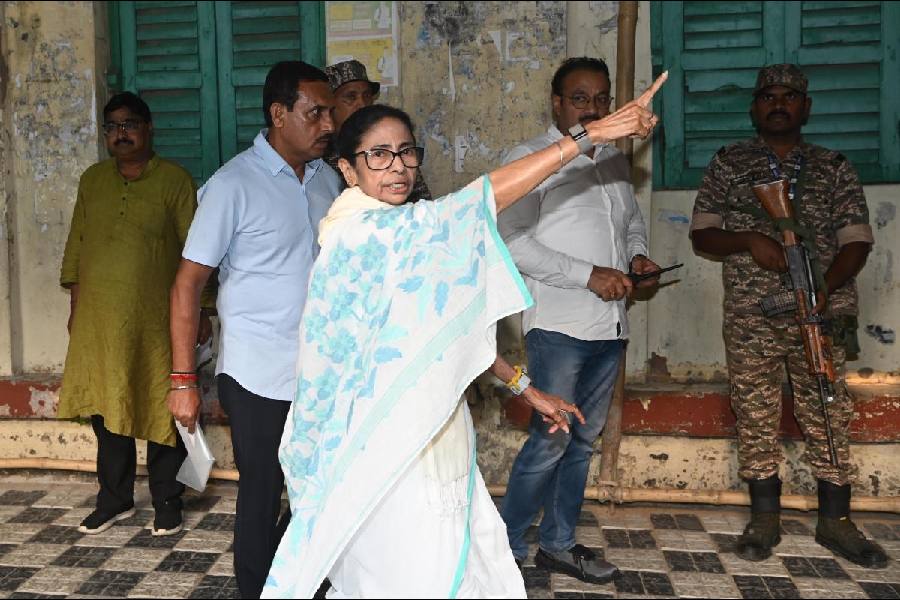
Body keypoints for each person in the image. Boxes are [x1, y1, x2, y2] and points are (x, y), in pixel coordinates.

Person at [263, 73, 666, 598]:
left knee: (454, 567)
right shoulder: (360, 234)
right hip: (384, 446)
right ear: (347, 168)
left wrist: (527, 389)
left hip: (435, 430)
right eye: (378, 155)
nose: (398, 167)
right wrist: (590, 136)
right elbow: (478, 204)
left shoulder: (407, 231)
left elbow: (447, 327)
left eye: (406, 153)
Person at [690, 64, 887, 568]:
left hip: (820, 313)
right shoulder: (729, 163)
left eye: (790, 96)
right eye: (768, 96)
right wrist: (749, 240)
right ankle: (764, 519)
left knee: (828, 411)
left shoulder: (833, 167)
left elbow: (857, 241)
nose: (778, 104)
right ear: (754, 107)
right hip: (751, 315)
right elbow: (702, 234)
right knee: (754, 411)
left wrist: (825, 287)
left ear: (806, 107)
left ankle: (836, 520)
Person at [167, 61, 342, 598]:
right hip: (257, 372)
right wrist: (182, 380)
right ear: (278, 114)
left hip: (320, 368)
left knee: (320, 492)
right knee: (262, 495)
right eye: (315, 113)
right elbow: (187, 285)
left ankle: (298, 585)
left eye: (330, 113)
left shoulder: (327, 178)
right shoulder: (232, 185)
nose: (329, 125)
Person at [497, 57, 661, 583]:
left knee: (581, 443)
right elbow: (510, 240)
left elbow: (630, 223)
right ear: (557, 103)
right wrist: (588, 274)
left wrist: (637, 256)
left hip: (610, 327)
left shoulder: (611, 159)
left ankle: (558, 544)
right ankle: (503, 550)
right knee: (550, 441)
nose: (593, 108)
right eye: (580, 98)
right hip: (558, 326)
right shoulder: (531, 159)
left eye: (601, 99)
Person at [59, 92, 207, 537]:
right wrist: (76, 310)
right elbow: (77, 246)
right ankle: (115, 499)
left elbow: (196, 252)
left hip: (158, 320)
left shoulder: (175, 181)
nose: (120, 133)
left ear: (148, 129)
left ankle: (167, 499)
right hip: (100, 321)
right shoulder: (93, 181)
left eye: (129, 124)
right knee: (107, 408)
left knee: (163, 405)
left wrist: (202, 310)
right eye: (112, 126)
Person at [324, 59, 432, 201]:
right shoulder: (320, 156)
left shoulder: (399, 155)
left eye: (367, 96)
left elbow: (422, 202)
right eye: (351, 97)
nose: (362, 104)